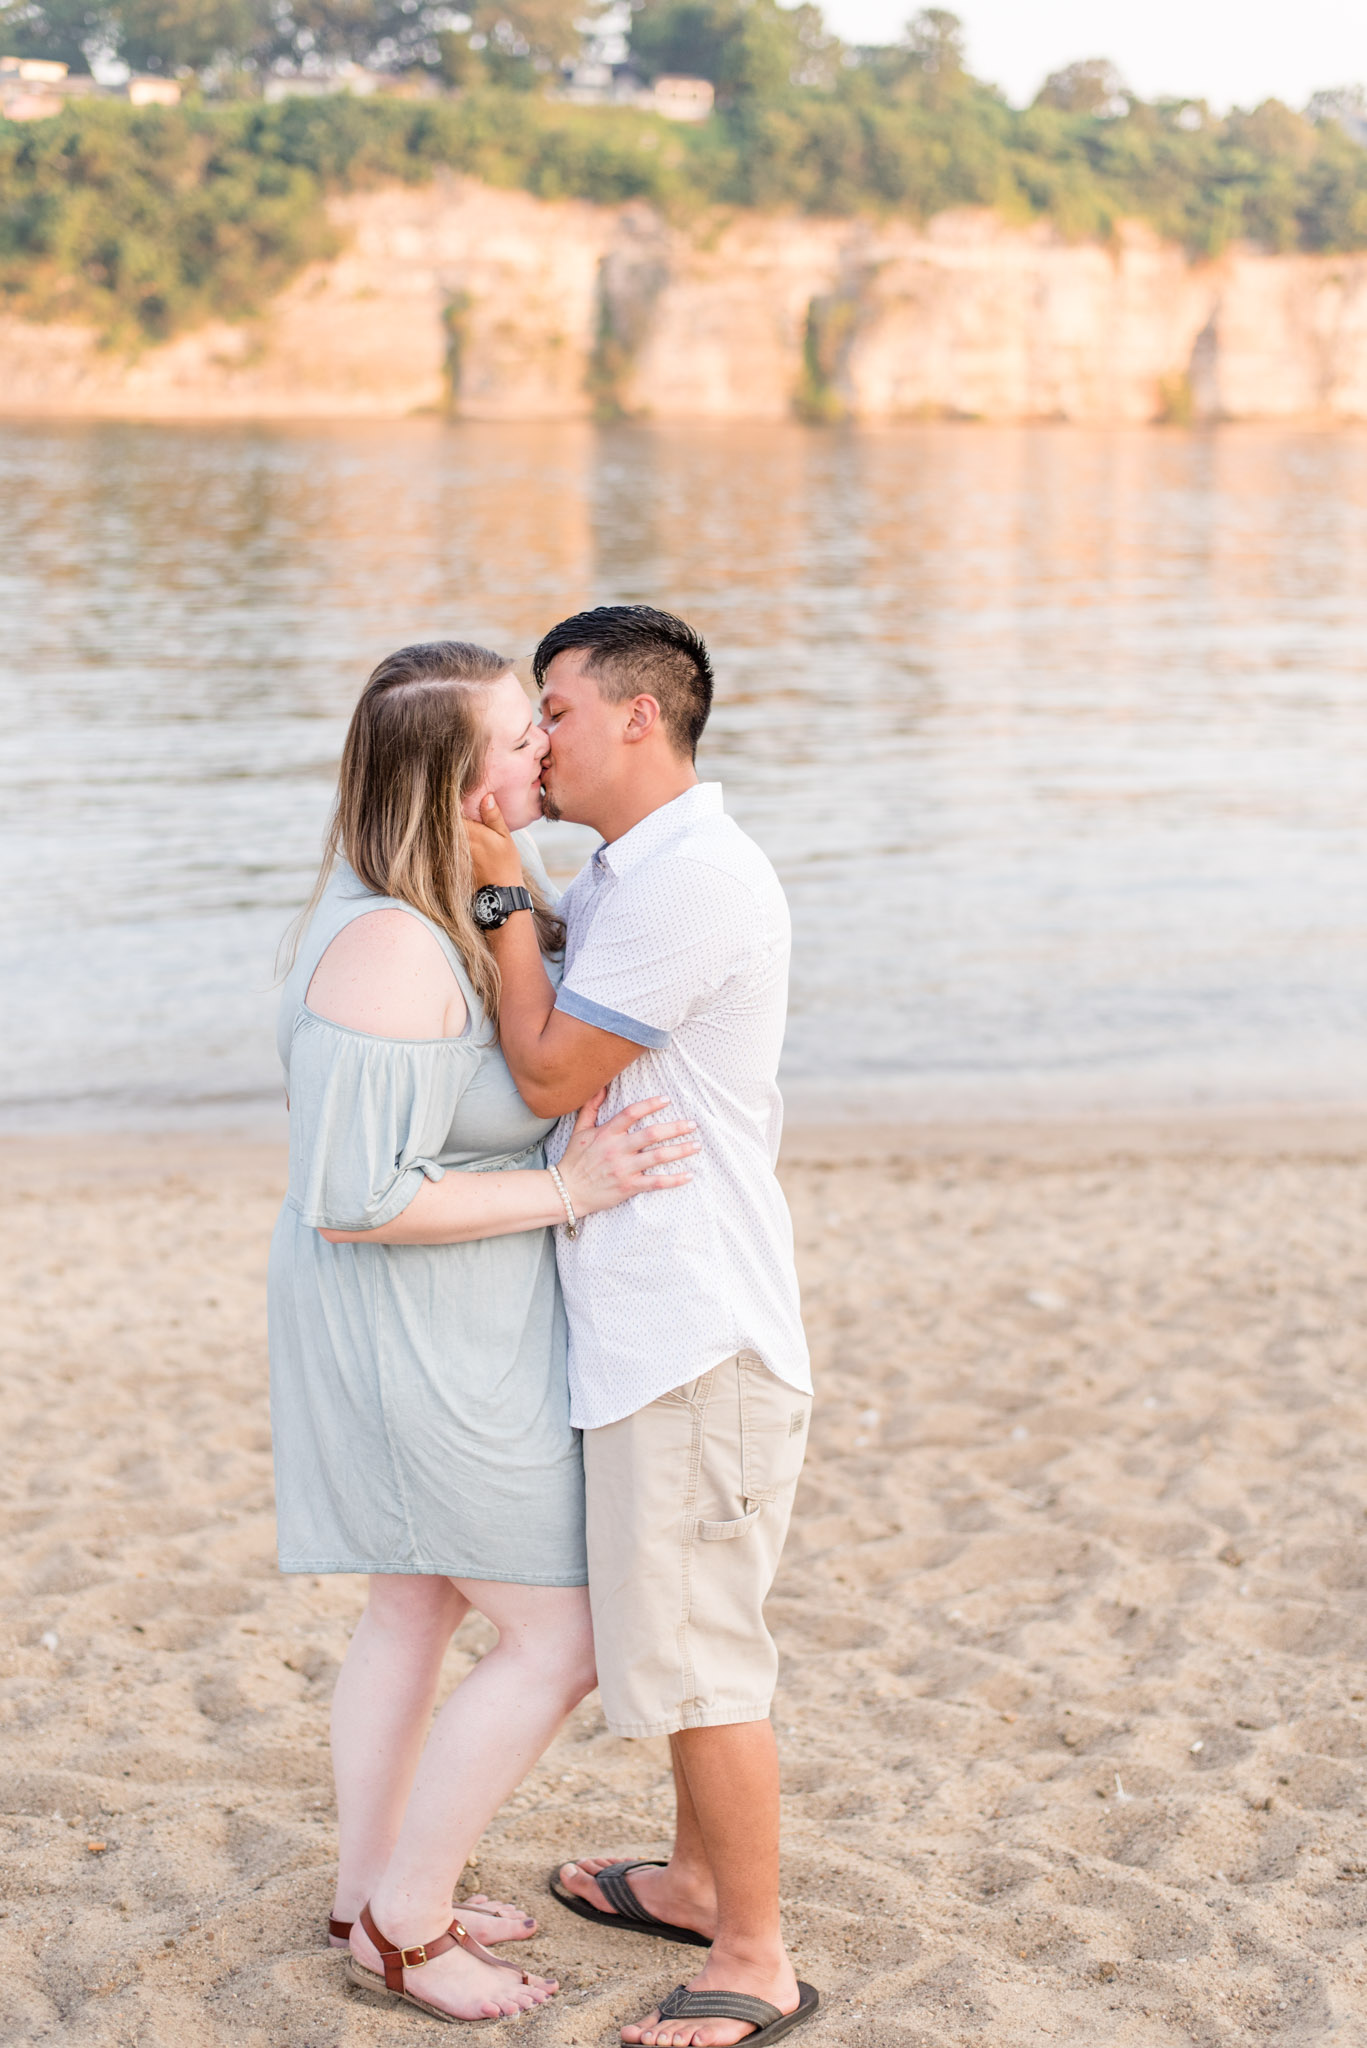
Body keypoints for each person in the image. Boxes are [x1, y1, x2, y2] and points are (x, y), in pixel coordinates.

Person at [267, 639, 700, 2024]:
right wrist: (568, 1187)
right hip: (412, 1335)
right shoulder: (392, 945)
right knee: (562, 1639)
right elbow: (353, 1201)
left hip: (453, 1322)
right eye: (521, 736)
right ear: (457, 784)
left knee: (417, 1598)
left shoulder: (451, 892)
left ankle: (363, 1888)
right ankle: (405, 1922)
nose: (545, 752)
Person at [466, 605, 820, 2048]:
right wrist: (529, 891)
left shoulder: (690, 882)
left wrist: (499, 894)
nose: (537, 736)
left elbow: (552, 1073)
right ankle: (687, 1881)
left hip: (694, 1337)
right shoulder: (633, 870)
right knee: (675, 1638)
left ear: (636, 717)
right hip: (666, 1328)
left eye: (551, 707)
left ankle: (753, 1955)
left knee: (702, 1655)